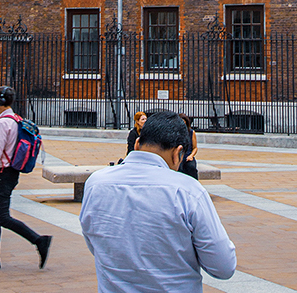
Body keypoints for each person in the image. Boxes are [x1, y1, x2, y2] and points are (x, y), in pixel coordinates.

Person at [80, 111, 236, 293]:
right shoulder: (188, 191)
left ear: (137, 144)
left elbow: (95, 244)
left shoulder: (95, 183)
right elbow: (223, 267)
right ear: (178, 153)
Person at [0, 85, 52, 271]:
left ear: (2, 100)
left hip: (4, 174)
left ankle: (39, 241)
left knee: (2, 217)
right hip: (9, 174)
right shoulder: (16, 119)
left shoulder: (2, 123)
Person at [178, 115, 199, 180]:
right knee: (179, 169)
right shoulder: (176, 133)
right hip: (178, 156)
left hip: (188, 155)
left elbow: (195, 148)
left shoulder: (191, 133)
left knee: (191, 167)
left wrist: (191, 156)